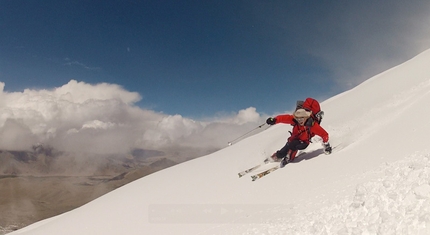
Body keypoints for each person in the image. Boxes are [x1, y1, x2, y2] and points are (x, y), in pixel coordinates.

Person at [266, 108, 332, 167]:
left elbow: (324, 134)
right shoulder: (295, 121)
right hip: (293, 140)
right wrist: (274, 120)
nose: (299, 120)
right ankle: (277, 156)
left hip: (303, 142)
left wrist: (326, 144)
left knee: (293, 144)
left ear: (306, 117)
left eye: (301, 118)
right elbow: (284, 118)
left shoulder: (312, 125)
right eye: (298, 118)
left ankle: (289, 157)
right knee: (287, 146)